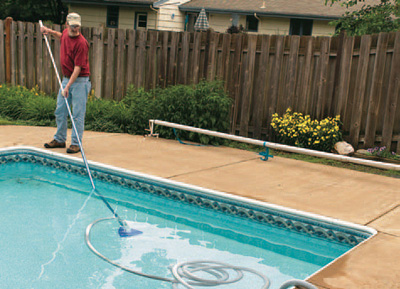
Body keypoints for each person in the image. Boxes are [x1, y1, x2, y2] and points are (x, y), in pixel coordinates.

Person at [41, 13, 91, 154]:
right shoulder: (65, 33)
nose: (75, 28)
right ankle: (60, 139)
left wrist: (68, 87)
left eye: (77, 26)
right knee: (60, 110)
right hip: (66, 78)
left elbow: (78, 68)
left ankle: (76, 143)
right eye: (73, 25)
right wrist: (48, 31)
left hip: (80, 81)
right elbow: (61, 36)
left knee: (77, 114)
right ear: (67, 25)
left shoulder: (82, 43)